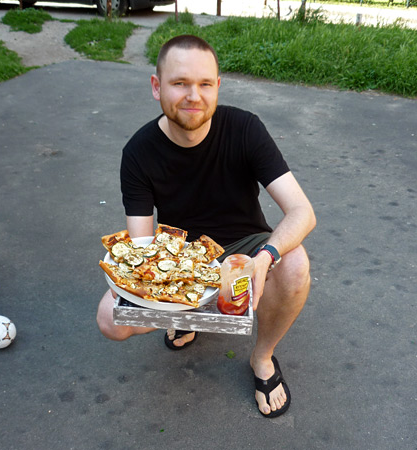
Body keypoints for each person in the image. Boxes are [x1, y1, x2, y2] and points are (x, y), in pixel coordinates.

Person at [96, 35, 316, 418]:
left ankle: (262, 357)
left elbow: (302, 211)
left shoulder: (245, 128)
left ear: (218, 87)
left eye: (204, 83)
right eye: (179, 83)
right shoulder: (138, 151)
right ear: (156, 86)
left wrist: (262, 262)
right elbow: (143, 243)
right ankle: (185, 317)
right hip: (182, 259)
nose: (192, 95)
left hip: (246, 245)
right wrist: (172, 292)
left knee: (295, 266)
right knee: (110, 320)